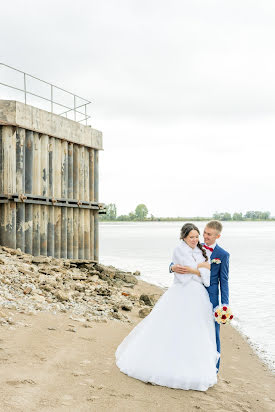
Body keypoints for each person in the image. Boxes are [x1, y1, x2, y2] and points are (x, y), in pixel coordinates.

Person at [115, 223, 219, 391]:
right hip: (182, 291)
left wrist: (197, 270)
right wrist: (195, 269)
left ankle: (195, 365)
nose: (195, 239)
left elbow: (206, 274)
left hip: (199, 294)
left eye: (196, 236)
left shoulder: (201, 251)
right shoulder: (179, 250)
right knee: (173, 326)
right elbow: (183, 271)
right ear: (184, 237)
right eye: (191, 237)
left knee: (196, 330)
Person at [170, 220, 229, 372]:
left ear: (218, 236)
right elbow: (179, 259)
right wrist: (171, 267)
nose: (205, 237)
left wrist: (225, 305)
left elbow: (224, 281)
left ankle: (214, 369)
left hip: (212, 298)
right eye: (204, 233)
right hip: (192, 294)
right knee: (192, 329)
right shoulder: (196, 245)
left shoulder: (223, 255)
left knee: (213, 332)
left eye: (209, 234)